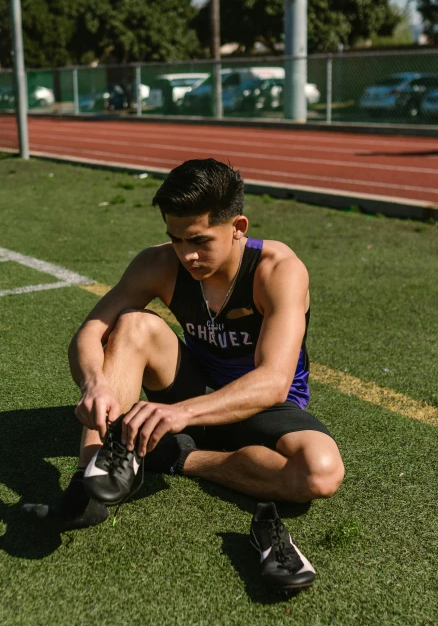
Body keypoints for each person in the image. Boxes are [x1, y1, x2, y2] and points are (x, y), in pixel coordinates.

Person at [23, 158, 345, 591]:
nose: (186, 254)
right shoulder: (159, 264)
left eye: (198, 240)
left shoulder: (277, 269)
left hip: (260, 403)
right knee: (135, 324)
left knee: (320, 472)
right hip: (192, 386)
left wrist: (180, 418)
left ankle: (177, 457)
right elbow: (89, 333)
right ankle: (90, 482)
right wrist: (93, 382)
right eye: (175, 239)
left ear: (238, 226)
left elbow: (272, 381)